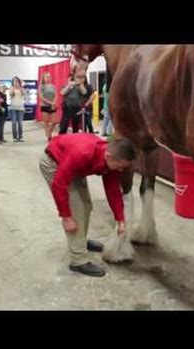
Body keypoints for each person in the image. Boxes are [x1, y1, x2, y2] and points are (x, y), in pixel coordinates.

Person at [39, 134, 136, 277]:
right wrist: (66, 216)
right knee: (76, 211)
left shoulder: (111, 161)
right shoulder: (83, 154)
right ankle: (77, 260)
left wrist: (120, 220)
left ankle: (81, 242)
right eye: (120, 166)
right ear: (109, 156)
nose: (121, 170)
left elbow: (113, 191)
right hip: (54, 164)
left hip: (73, 166)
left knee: (87, 205)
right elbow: (59, 184)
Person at [59, 68, 88, 134]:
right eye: (71, 79)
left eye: (73, 79)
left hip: (76, 107)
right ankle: (61, 137)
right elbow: (62, 93)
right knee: (64, 125)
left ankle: (75, 138)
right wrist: (69, 85)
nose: (72, 80)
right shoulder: (65, 86)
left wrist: (79, 84)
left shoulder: (79, 86)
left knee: (76, 125)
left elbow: (84, 92)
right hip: (67, 107)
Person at [39, 72, 58, 141]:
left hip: (52, 105)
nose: (48, 78)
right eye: (46, 77)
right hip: (45, 105)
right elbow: (41, 97)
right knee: (46, 122)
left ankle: (49, 133)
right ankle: (49, 137)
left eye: (49, 77)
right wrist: (50, 103)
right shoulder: (41, 86)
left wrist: (53, 102)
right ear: (43, 78)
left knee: (54, 122)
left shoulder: (53, 86)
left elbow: (56, 95)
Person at [9, 76, 26, 142]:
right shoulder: (11, 88)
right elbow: (11, 94)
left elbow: (24, 94)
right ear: (12, 82)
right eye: (14, 81)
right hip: (13, 108)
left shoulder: (22, 88)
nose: (16, 82)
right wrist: (13, 88)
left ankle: (20, 136)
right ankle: (15, 137)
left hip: (21, 108)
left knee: (20, 123)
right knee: (13, 123)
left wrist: (21, 86)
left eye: (17, 81)